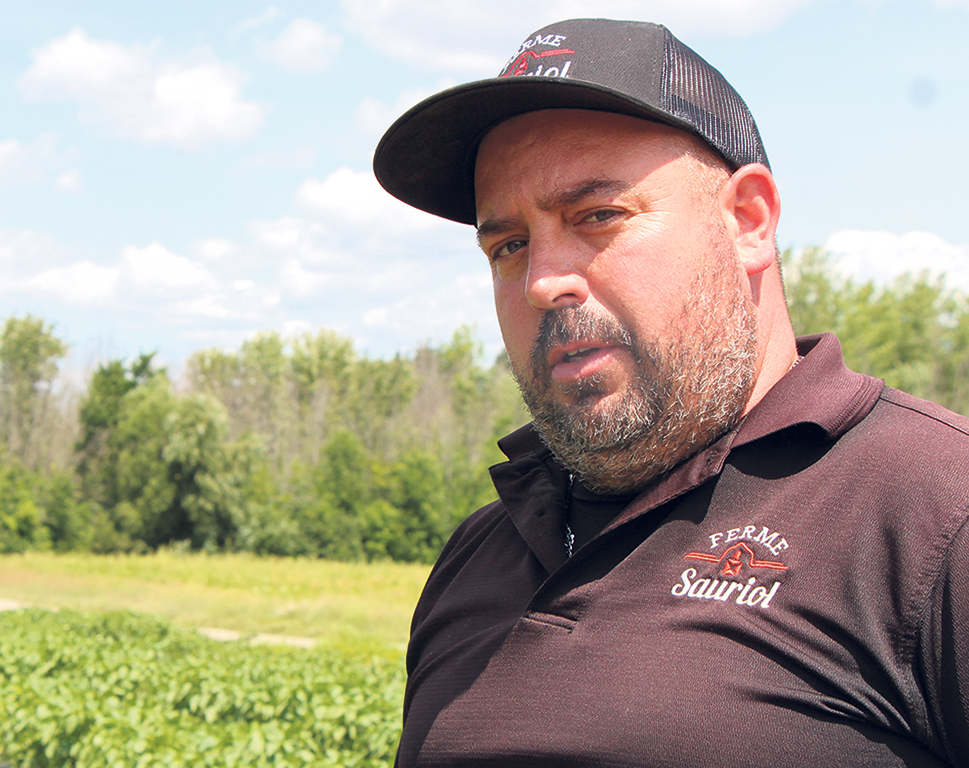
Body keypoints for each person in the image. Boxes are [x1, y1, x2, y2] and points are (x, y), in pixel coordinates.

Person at [372, 17, 969, 767]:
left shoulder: (936, 514)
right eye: (509, 245)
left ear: (748, 221)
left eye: (597, 216)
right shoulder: (476, 553)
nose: (543, 280)